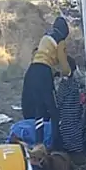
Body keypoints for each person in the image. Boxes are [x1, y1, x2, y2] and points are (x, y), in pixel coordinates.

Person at [21, 16, 73, 147]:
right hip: (43, 74)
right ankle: (56, 144)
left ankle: (38, 144)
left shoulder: (45, 37)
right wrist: (69, 73)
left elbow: (40, 55)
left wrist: (53, 72)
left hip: (32, 71)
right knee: (53, 111)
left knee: (38, 110)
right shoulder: (60, 41)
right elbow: (65, 66)